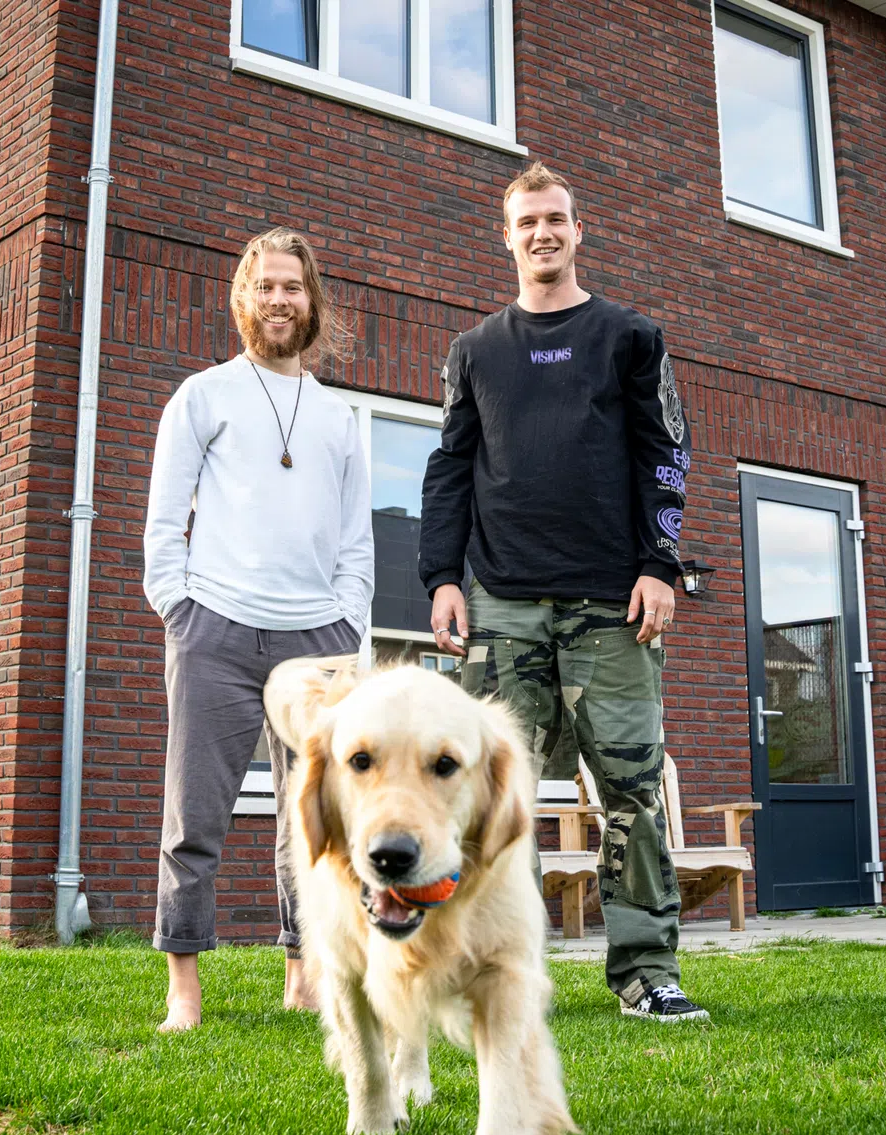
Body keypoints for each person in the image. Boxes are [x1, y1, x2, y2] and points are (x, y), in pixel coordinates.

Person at [418, 162, 707, 1022]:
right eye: (527, 222)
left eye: (557, 219)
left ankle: (646, 970)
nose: (543, 233)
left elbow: (667, 453)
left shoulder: (630, 337)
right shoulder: (475, 352)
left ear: (580, 232)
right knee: (490, 793)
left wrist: (660, 562)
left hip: (612, 604)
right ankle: (502, 970)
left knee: (631, 789)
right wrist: (440, 577)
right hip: (503, 604)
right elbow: (449, 469)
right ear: (505, 237)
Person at [142, 228, 373, 1032]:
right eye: (266, 286)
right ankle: (184, 987)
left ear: (312, 302)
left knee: (310, 822)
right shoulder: (203, 396)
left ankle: (303, 977)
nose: (280, 299)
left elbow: (355, 539)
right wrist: (181, 608)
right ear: (245, 299)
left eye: (294, 287)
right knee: (193, 815)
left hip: (318, 643)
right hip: (218, 631)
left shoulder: (340, 418)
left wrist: (351, 623)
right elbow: (164, 520)